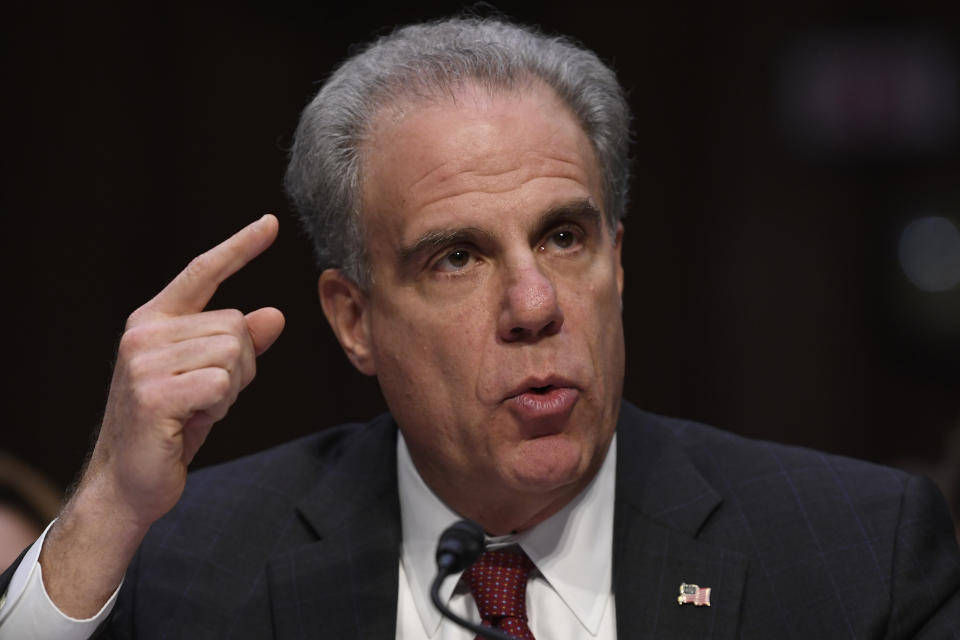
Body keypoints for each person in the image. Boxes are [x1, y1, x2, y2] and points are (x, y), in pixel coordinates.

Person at [1, 15, 959, 639]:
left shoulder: (857, 556)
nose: (536, 305)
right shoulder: (193, 567)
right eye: (455, 257)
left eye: (566, 236)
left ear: (618, 263)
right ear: (354, 320)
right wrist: (107, 511)